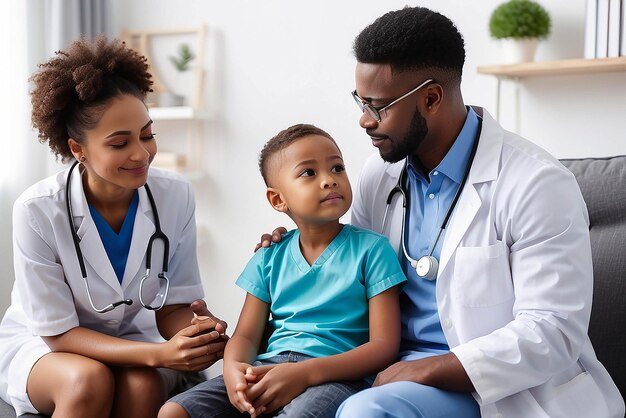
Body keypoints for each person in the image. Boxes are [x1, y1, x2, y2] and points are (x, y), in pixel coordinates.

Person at [259, 7, 625, 418]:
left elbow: (552, 332)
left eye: (378, 107)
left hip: (491, 388)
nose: (364, 121)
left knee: (366, 413)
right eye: (361, 102)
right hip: (382, 371)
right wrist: (298, 242)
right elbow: (350, 278)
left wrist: (432, 367)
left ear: (430, 98)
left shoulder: (537, 183)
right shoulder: (378, 175)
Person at [0, 36, 228, 418]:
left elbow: (173, 307)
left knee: (140, 385)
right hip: (46, 346)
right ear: (78, 149)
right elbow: (57, 333)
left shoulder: (175, 195)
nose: (141, 153)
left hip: (136, 336)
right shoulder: (37, 210)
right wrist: (158, 354)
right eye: (120, 143)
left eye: (147, 135)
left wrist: (201, 331)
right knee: (87, 381)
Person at [159, 124, 407, 418]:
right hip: (267, 367)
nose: (329, 180)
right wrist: (233, 371)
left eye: (337, 167)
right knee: (174, 411)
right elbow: (246, 337)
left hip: (335, 377)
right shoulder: (269, 256)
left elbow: (384, 346)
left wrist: (303, 373)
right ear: (278, 200)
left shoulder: (373, 250)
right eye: (309, 173)